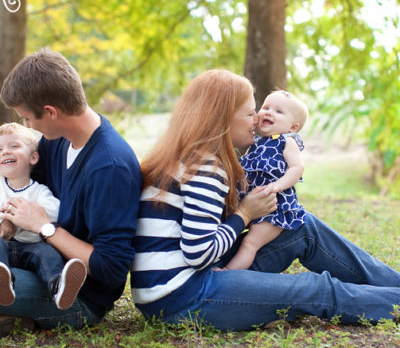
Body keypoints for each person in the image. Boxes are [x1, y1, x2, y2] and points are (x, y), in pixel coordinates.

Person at [131, 69, 400, 331]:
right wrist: (244, 216)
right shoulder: (205, 170)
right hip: (181, 297)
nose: (257, 118)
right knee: (315, 289)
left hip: (179, 284)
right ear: (222, 118)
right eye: (250, 113)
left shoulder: (188, 156)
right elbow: (199, 253)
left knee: (301, 227)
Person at [0, 48, 141, 330]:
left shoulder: (109, 167)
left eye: (28, 118)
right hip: (28, 262)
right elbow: (16, 183)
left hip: (77, 296)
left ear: (51, 112)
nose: (28, 126)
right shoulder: (58, 141)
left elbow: (111, 269)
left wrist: (45, 227)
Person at [0, 122, 87, 311]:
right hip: (4, 244)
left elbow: (55, 212)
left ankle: (59, 287)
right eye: (0, 149)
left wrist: (22, 216)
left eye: (14, 146)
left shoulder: (39, 191)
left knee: (48, 253)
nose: (5, 152)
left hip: (32, 246)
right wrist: (5, 221)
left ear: (33, 157)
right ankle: (3, 280)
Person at [224, 90, 308, 270]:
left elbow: (297, 167)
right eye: (266, 107)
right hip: (251, 203)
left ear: (293, 127)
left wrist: (277, 186)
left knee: (250, 243)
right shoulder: (255, 142)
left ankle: (227, 274)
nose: (269, 112)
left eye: (278, 111)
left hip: (274, 207)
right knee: (235, 237)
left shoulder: (286, 141)